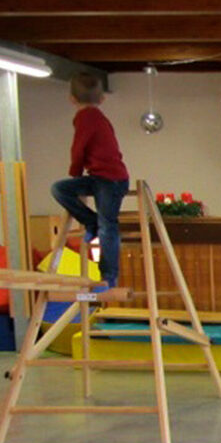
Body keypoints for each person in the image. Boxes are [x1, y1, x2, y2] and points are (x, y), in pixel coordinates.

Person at [50, 71, 130, 287]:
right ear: (102, 99)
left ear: (72, 99)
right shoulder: (100, 117)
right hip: (101, 177)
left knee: (108, 225)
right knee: (61, 189)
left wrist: (75, 172)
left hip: (111, 179)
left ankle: (109, 275)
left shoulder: (85, 117)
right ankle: (90, 221)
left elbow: (79, 147)